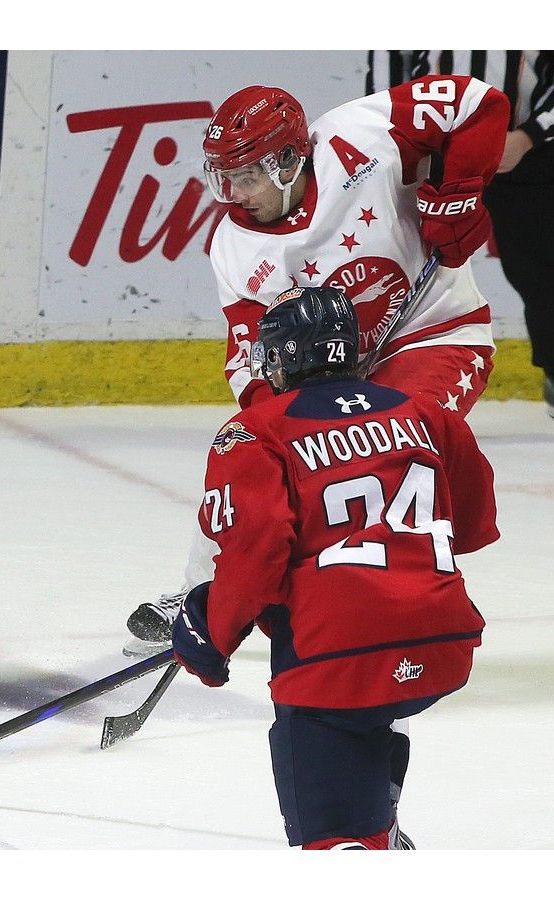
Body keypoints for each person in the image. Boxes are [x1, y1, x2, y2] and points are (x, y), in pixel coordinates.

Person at [125, 74, 510, 651]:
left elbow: (484, 105)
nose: (236, 193)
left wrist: (460, 191)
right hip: (339, 372)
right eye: (225, 178)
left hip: (438, 334)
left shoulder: (364, 135)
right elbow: (250, 357)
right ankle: (198, 592)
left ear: (288, 159)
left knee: (400, 435)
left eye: (248, 175)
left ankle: (405, 595)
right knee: (246, 453)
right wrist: (271, 426)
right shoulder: (233, 245)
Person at [169, 285, 498, 849]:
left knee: (332, 833)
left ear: (283, 358)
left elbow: (253, 564)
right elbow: (471, 526)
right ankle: (378, 822)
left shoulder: (255, 432)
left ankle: (359, 835)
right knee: (375, 716)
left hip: (334, 662)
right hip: (443, 645)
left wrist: (212, 637)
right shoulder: (427, 415)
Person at [367, 51, 554, 418]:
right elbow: (387, 72)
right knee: (394, 270)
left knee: (543, 273)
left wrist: (527, 137)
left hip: (526, 157)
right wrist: (392, 145)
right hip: (427, 156)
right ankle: (376, 392)